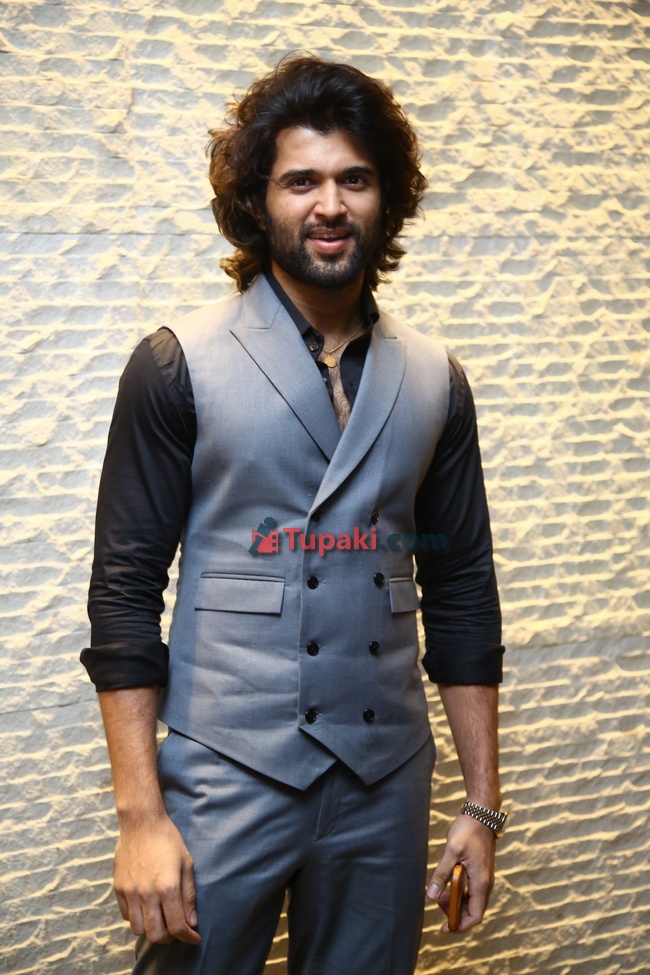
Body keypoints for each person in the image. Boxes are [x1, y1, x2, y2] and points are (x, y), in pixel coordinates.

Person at [81, 54, 506, 975]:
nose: (330, 205)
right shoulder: (175, 364)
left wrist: (481, 804)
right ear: (257, 200)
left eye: (355, 179)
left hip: (387, 781)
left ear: (386, 198)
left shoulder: (437, 378)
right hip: (225, 774)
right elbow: (123, 593)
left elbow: (464, 588)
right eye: (301, 181)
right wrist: (141, 816)